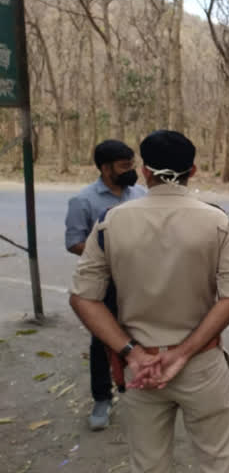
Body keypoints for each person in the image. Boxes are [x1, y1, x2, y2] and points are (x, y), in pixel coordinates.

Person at [69, 130, 229, 472]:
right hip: (201, 366)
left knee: (148, 464)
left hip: (140, 371)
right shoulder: (215, 221)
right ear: (192, 171)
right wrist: (182, 354)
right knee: (219, 461)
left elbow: (83, 299)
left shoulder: (111, 223)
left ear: (146, 172)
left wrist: (132, 353)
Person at [64, 139, 146, 430]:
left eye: (132, 164)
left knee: (143, 333)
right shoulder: (83, 201)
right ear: (104, 167)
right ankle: (102, 397)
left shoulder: (140, 194)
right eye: (124, 166)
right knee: (103, 341)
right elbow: (73, 242)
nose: (131, 171)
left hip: (139, 281)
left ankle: (145, 388)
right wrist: (108, 248)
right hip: (105, 284)